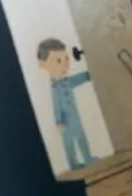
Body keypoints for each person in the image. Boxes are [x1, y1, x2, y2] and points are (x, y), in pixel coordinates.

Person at [37, 37, 95, 170]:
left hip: (75, 115)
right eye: (58, 61)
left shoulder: (65, 81)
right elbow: (56, 106)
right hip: (65, 120)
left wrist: (88, 75)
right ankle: (73, 164)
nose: (64, 64)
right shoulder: (55, 87)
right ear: (43, 64)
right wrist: (59, 121)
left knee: (81, 136)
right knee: (69, 142)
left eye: (66, 59)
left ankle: (88, 157)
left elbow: (76, 80)